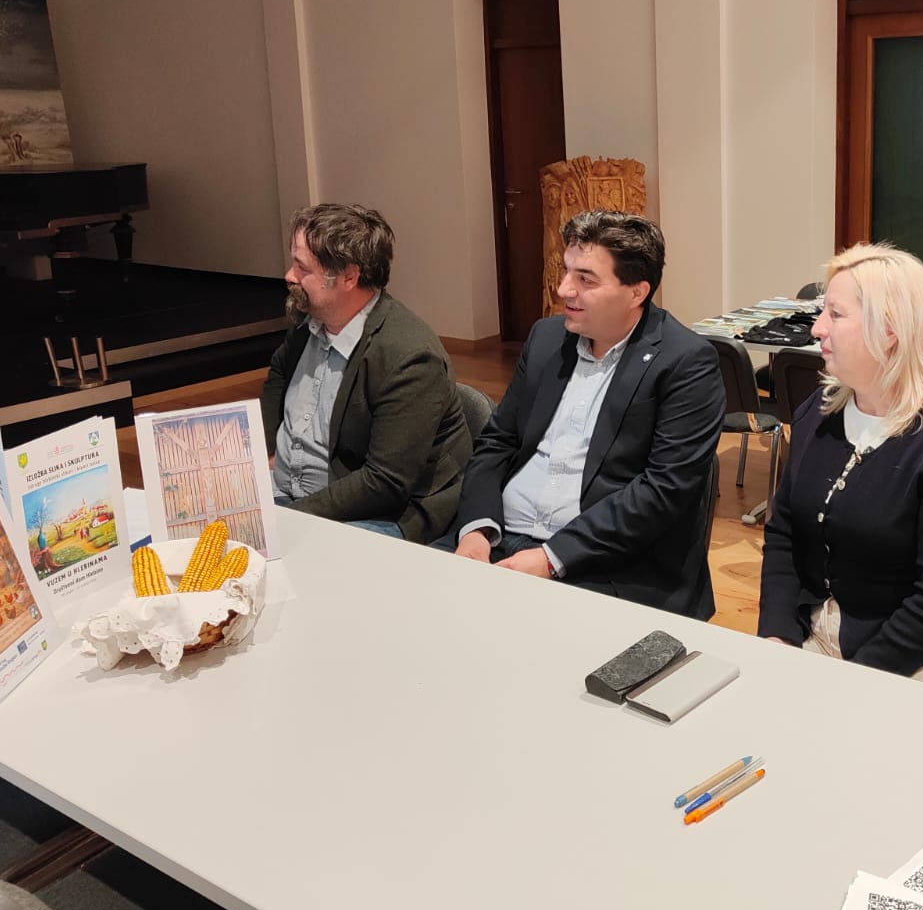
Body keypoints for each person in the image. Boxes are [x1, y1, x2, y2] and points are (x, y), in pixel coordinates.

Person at [443, 210, 724, 617]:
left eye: (586, 279)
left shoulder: (686, 362)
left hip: (602, 561)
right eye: (566, 271)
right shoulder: (546, 338)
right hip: (498, 537)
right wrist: (476, 529)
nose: (564, 289)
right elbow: (498, 441)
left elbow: (664, 490)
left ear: (637, 292)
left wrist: (551, 557)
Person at [757, 243, 923, 696]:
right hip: (823, 634)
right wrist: (776, 635)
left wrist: (849, 684)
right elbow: (784, 532)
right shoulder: (820, 411)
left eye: (835, 314)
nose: (817, 328)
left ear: (889, 330)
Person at [262, 203, 472, 542]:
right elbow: (279, 372)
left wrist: (288, 518)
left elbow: (385, 482)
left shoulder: (410, 357)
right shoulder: (310, 320)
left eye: (303, 268)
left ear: (348, 276)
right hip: (290, 496)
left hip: (374, 512)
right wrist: (270, 448)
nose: (289, 276)